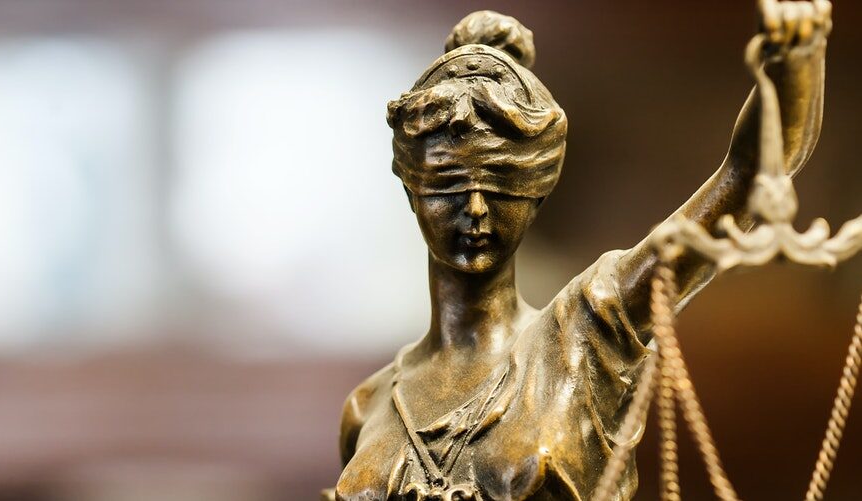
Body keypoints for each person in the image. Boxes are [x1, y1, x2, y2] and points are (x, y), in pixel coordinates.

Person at [326, 5, 830, 500]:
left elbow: (746, 176)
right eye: (449, 185)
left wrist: (793, 61)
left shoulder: (587, 333)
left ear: (537, 193)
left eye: (502, 184)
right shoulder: (367, 407)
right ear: (412, 191)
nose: (475, 209)